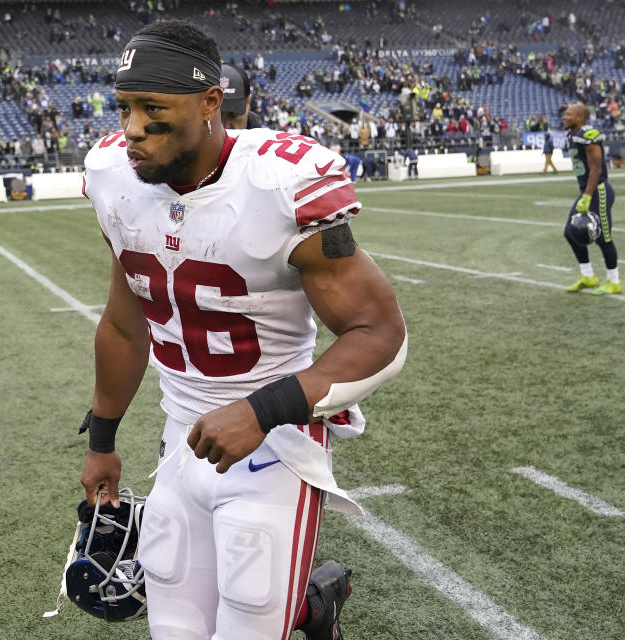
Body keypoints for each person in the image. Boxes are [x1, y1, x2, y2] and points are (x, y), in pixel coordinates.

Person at [79, 20, 407, 640]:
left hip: (273, 451)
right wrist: (102, 439)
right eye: (123, 107)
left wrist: (261, 410)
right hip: (179, 443)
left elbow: (379, 334)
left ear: (210, 103)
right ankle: (314, 610)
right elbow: (126, 325)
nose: (131, 131)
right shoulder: (112, 177)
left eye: (153, 109)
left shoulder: (279, 186)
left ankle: (311, 607)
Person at [562, 102, 622, 295]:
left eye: (569, 114)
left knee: (603, 238)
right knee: (570, 232)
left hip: (599, 190)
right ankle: (587, 276)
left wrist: (587, 196)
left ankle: (614, 281)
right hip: (587, 191)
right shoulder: (572, 135)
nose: (564, 116)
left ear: (580, 118)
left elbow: (596, 169)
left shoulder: (588, 136)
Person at [218, 63, 263, 130]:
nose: (225, 127)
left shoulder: (265, 138)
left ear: (248, 102)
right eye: (216, 118)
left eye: (232, 115)